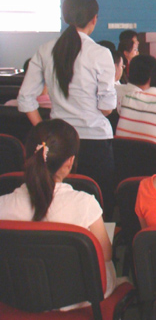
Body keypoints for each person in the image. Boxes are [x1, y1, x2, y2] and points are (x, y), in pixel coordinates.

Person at [18, 0, 117, 218]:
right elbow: (107, 109)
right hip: (95, 142)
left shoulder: (45, 49)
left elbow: (25, 99)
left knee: (56, 203)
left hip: (59, 141)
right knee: (99, 205)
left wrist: (43, 129)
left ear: (65, 17)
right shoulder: (100, 53)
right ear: (94, 19)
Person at [0, 119, 118, 306]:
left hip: (15, 298)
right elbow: (105, 255)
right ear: (70, 162)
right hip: (78, 300)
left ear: (28, 156)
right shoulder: (85, 204)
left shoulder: (2, 205)